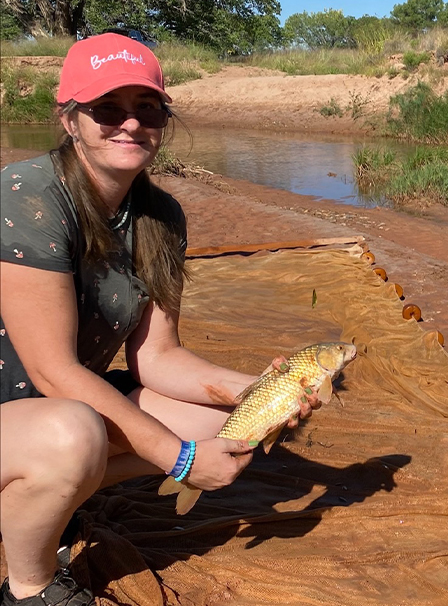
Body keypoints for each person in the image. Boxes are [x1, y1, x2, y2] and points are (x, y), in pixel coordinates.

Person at [0, 33, 317, 606]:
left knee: (217, 419)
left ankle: (49, 495)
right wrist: (181, 461)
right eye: (107, 109)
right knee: (71, 434)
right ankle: (30, 585)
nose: (129, 124)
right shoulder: (25, 199)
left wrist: (262, 391)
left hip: (46, 412)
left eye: (146, 109)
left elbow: (158, 357)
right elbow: (52, 373)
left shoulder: (160, 214)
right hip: (35, 412)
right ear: (70, 120)